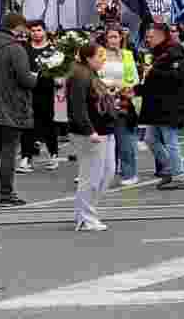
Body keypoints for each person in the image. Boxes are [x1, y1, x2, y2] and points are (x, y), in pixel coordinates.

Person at [69, 44, 117, 231]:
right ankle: (85, 217)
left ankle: (85, 212)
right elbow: (78, 107)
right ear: (88, 58)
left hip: (103, 129)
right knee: (91, 176)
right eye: (99, 55)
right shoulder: (80, 75)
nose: (103, 59)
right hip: (91, 133)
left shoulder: (89, 73)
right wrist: (89, 130)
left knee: (107, 171)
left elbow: (93, 100)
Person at [0, 13, 39, 206]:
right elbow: (26, 80)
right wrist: (38, 77)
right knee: (8, 152)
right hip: (9, 107)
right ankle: (6, 194)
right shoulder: (15, 48)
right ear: (18, 27)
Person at [137, 22, 184, 190]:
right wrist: (137, 89)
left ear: (161, 35)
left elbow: (177, 76)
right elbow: (150, 78)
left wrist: (153, 71)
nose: (147, 39)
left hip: (170, 103)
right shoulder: (155, 52)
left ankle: (178, 175)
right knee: (149, 139)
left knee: (170, 140)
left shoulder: (175, 50)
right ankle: (170, 169)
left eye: (151, 36)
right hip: (155, 104)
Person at [101, 26, 139, 185]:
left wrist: (123, 86)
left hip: (124, 101)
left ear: (121, 38)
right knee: (104, 141)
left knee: (126, 140)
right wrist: (108, 86)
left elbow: (135, 78)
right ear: (105, 39)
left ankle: (129, 173)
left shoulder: (128, 55)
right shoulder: (100, 55)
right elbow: (96, 76)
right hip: (104, 101)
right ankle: (104, 171)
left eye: (116, 37)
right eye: (110, 37)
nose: (113, 40)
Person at [19, 21, 57, 173]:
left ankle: (53, 154)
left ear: (45, 31)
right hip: (27, 92)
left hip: (47, 93)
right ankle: (26, 157)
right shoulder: (25, 49)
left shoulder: (52, 50)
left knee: (48, 123)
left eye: (39, 30)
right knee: (27, 124)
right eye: (33, 30)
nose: (36, 33)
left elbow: (58, 71)